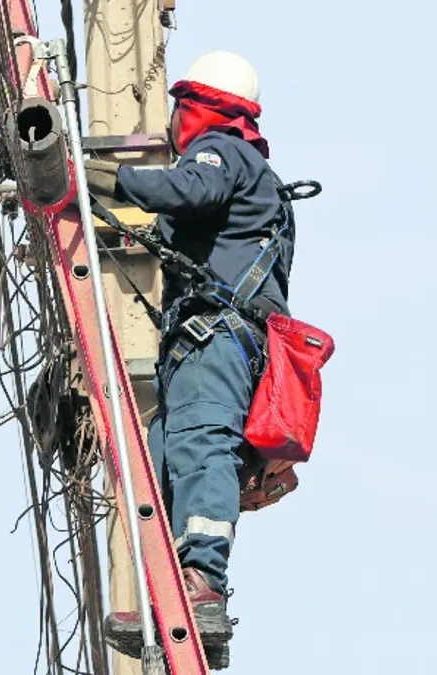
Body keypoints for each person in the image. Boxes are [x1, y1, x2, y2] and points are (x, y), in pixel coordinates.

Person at [83, 50, 295, 657]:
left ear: (196, 107)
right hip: (207, 345)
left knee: (200, 447)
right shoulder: (252, 183)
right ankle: (178, 596)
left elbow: (185, 188)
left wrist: (94, 176)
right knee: (158, 465)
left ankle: (203, 586)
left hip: (214, 340)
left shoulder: (222, 151)